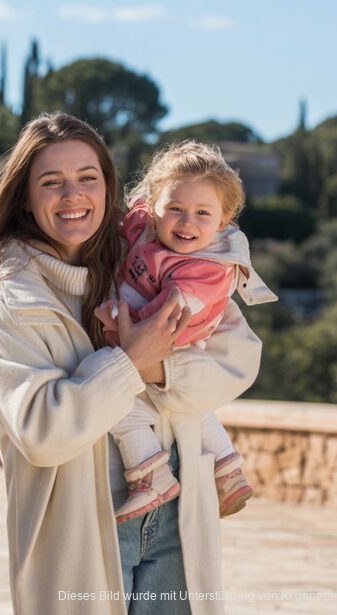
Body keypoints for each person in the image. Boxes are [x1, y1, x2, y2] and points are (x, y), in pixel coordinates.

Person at [0, 113, 263, 614]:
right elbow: (43, 433)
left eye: (87, 178)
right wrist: (131, 360)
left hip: (178, 510)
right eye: (52, 182)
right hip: (83, 523)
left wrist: (157, 368)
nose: (73, 195)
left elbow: (238, 358)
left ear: (109, 188)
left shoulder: (151, 256)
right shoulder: (12, 303)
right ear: (25, 197)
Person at [99, 140, 278, 523]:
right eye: (175, 209)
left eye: (202, 213)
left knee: (116, 397)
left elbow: (164, 318)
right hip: (148, 332)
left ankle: (150, 473)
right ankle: (227, 468)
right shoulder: (145, 227)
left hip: (169, 337)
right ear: (153, 207)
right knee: (187, 404)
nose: (187, 222)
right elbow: (122, 224)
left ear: (223, 220)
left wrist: (116, 322)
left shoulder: (206, 268)